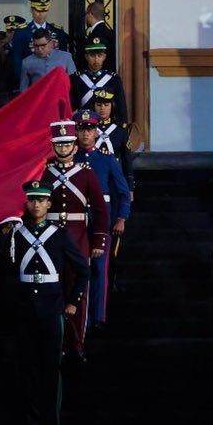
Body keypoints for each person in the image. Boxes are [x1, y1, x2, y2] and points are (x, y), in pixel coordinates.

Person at [0, 180, 89, 425]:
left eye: (41, 200)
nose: (36, 204)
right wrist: (5, 232)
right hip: (25, 308)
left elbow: (83, 269)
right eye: (32, 200)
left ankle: (52, 424)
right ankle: (32, 423)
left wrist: (72, 301)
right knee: (27, 367)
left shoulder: (59, 234)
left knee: (51, 368)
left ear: (49, 203)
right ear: (26, 203)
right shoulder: (17, 233)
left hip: (51, 308)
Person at [39, 120, 108, 363]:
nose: (63, 148)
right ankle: (56, 343)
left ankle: (76, 343)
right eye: (59, 144)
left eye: (67, 143)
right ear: (52, 146)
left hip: (78, 237)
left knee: (77, 292)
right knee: (53, 292)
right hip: (49, 239)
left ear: (75, 146)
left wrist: (98, 240)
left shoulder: (86, 174)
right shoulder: (44, 172)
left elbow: (100, 210)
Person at [73, 109, 130, 330]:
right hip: (76, 220)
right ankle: (78, 314)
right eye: (81, 129)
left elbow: (123, 192)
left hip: (100, 221)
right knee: (77, 268)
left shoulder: (106, 160)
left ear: (96, 131)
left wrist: (121, 218)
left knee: (99, 268)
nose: (85, 134)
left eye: (89, 129)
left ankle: (98, 315)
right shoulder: (71, 158)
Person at [11, 0, 74, 77]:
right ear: (31, 10)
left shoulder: (58, 32)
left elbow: (64, 60)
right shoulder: (21, 33)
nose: (41, 15)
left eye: (44, 11)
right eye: (38, 11)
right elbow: (17, 62)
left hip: (54, 79)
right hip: (33, 80)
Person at [69, 36, 128, 122]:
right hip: (84, 125)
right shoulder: (76, 78)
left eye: (99, 55)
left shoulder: (113, 78)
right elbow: (71, 106)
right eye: (92, 56)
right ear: (86, 56)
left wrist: (120, 128)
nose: (96, 59)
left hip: (107, 125)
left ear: (104, 56)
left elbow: (120, 106)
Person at [92, 90, 135, 197]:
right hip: (93, 176)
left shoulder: (120, 130)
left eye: (106, 105)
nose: (102, 108)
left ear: (112, 106)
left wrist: (130, 187)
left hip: (115, 176)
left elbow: (127, 160)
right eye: (99, 105)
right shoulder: (87, 130)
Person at [81, 2, 116, 73]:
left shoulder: (97, 34)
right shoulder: (109, 32)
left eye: (86, 14)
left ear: (90, 14)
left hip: (99, 76)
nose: (85, 17)